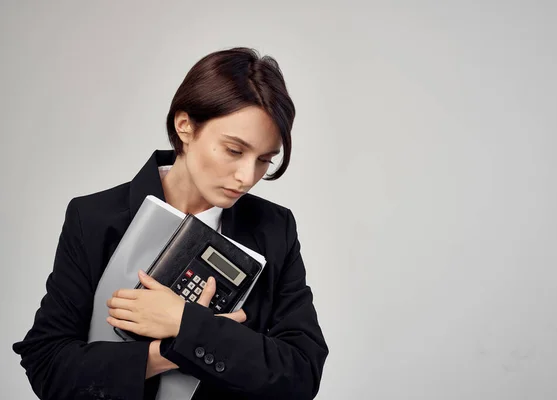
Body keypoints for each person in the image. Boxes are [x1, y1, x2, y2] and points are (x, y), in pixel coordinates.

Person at [13, 47, 328, 400]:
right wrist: (164, 353)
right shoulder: (94, 219)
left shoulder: (274, 228)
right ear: (185, 126)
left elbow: (302, 373)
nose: (246, 176)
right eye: (234, 151)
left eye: (264, 161)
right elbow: (47, 364)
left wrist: (185, 324)